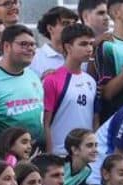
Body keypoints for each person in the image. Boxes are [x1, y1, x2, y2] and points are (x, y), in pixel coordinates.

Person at [0, 25, 44, 150]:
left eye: (33, 45)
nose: (30, 49)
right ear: (7, 46)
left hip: (34, 156)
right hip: (2, 160)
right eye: (23, 44)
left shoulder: (33, 76)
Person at [43, 24, 97, 155]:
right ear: (68, 47)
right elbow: (45, 123)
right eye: (83, 44)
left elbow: (95, 119)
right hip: (60, 155)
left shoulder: (91, 81)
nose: (89, 48)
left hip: (86, 156)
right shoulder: (52, 80)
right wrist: (50, 155)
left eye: (91, 44)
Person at [31, 7, 78, 76]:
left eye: (74, 24)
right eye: (65, 23)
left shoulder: (81, 55)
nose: (72, 28)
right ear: (50, 28)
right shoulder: (34, 57)